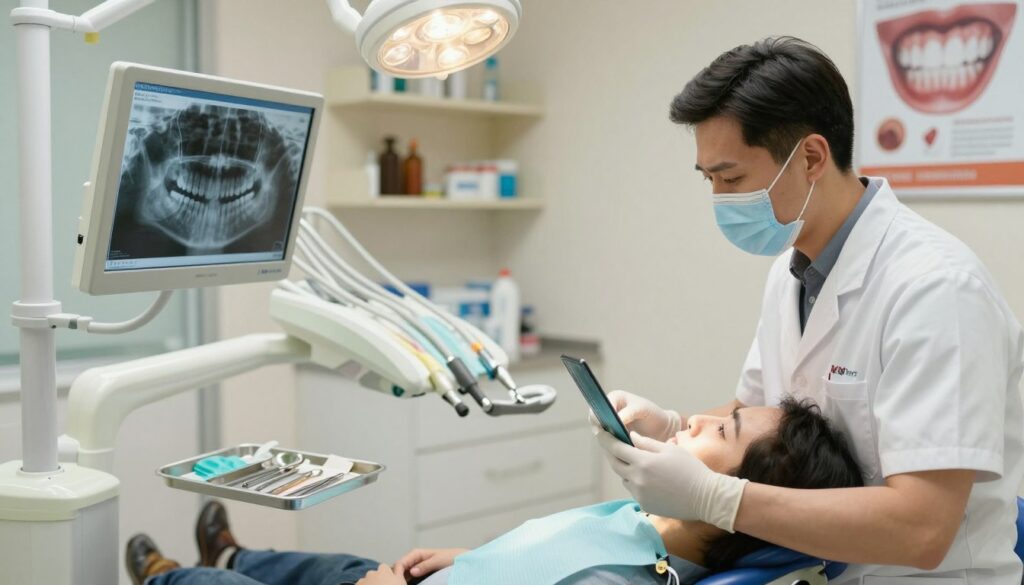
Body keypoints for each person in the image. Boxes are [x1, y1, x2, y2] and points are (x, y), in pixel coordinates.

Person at [593, 36, 1024, 584]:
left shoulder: (938, 290)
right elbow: (759, 410)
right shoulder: (792, 270)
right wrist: (673, 426)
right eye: (710, 180)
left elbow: (923, 529)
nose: (720, 200)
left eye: (732, 179)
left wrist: (713, 495)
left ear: (812, 158)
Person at [127, 398, 863, 585]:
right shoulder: (643, 523)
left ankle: (174, 576)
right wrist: (472, 556)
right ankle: (234, 554)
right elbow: (541, 557)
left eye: (723, 427)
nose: (698, 415)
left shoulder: (629, 574)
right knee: (336, 566)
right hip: (446, 576)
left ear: (729, 496)